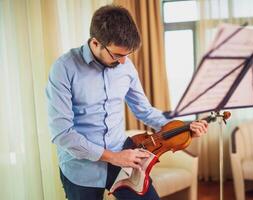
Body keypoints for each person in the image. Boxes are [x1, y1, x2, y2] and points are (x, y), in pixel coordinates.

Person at [46, 5, 208, 200]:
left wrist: (183, 129)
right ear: (96, 43)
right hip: (80, 167)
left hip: (123, 155)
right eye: (117, 55)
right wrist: (112, 157)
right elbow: (62, 133)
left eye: (127, 54)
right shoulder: (63, 68)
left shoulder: (126, 66)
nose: (123, 62)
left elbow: (145, 111)